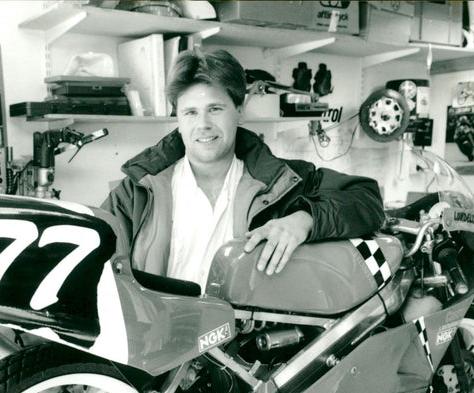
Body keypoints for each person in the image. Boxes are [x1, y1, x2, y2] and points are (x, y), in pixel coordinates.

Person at [101, 49, 385, 291]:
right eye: (190, 112)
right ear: (177, 117)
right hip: (156, 345)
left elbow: (367, 198)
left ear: (239, 110)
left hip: (245, 349)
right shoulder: (135, 192)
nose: (203, 125)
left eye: (215, 109)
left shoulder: (284, 181)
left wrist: (303, 220)